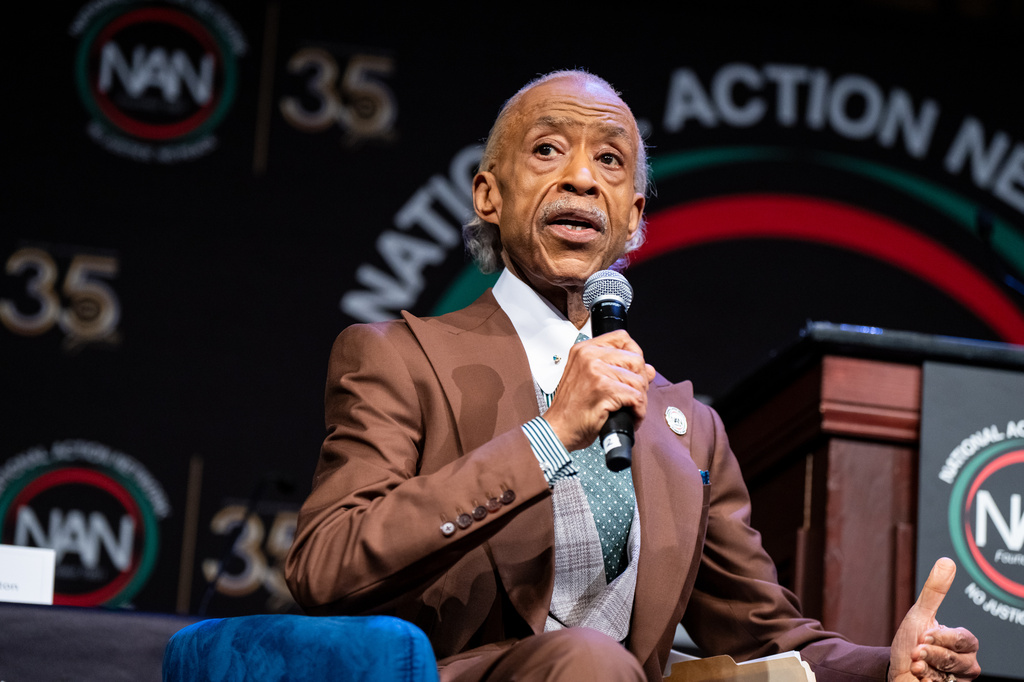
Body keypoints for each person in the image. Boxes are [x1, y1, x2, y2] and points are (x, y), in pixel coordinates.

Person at [285, 70, 981, 682]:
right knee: (587, 658)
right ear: (488, 196)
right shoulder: (398, 358)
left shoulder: (690, 430)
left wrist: (883, 665)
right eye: (549, 150)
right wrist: (548, 436)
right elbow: (325, 564)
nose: (582, 178)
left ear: (633, 219)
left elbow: (770, 636)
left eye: (610, 161)